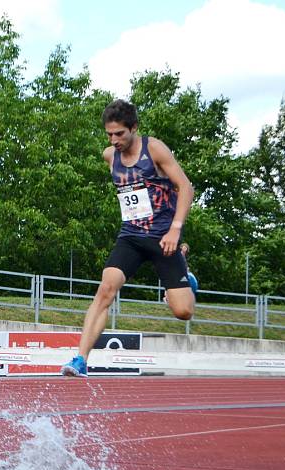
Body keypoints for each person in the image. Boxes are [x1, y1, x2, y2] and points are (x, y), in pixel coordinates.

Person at [62, 99, 195, 377]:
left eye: (120, 134)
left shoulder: (154, 149)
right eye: (109, 134)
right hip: (131, 236)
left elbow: (185, 187)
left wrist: (175, 229)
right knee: (106, 289)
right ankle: (80, 360)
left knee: (183, 312)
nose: (114, 140)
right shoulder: (110, 156)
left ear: (134, 128)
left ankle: (187, 277)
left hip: (163, 239)